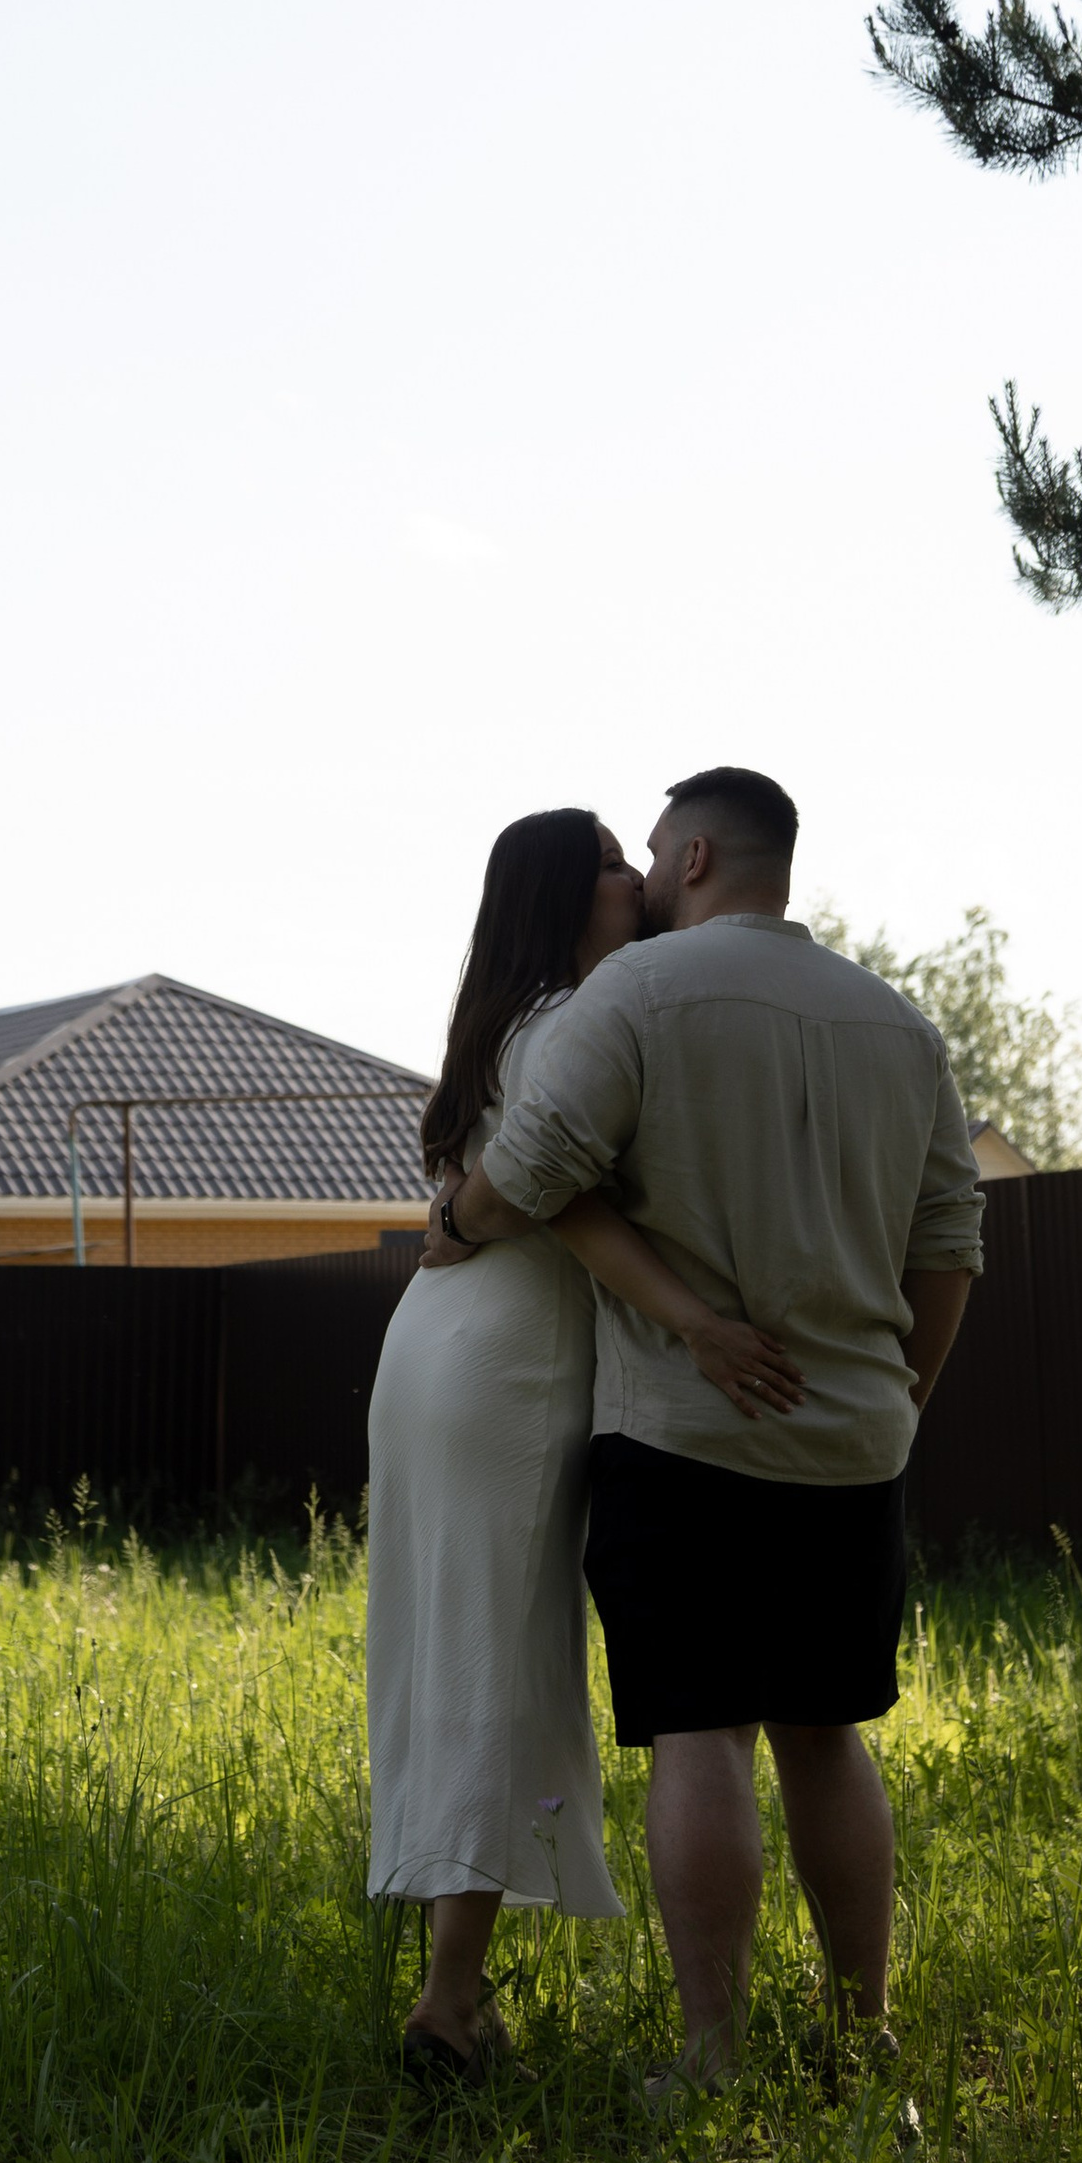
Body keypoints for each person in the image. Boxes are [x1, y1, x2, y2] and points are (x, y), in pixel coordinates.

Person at [428, 766, 983, 2089]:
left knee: (704, 1736)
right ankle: (864, 2033)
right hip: (855, 1441)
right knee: (829, 1734)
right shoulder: (897, 1023)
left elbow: (537, 1173)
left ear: (687, 860)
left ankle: (712, 2054)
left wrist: (451, 1223)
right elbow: (951, 1243)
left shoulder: (635, 995)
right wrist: (903, 1399)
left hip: (683, 1434)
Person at [365, 806, 806, 2089]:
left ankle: (453, 1988)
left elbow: (503, 1196)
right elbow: (558, 1198)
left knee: (461, 1656)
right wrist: (699, 1324)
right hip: (510, 1364)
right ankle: (448, 2006)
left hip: (441, 1348)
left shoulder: (506, 1018)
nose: (636, 877)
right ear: (571, 894)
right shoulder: (570, 1020)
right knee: (500, 1668)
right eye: (614, 862)